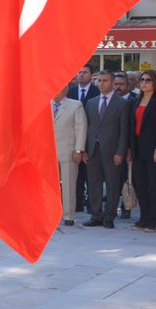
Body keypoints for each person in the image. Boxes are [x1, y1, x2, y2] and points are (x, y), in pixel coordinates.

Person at [83, 72, 130, 229]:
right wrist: (84, 150)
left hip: (112, 150)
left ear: (112, 82)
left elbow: (124, 130)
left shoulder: (122, 103)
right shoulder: (91, 102)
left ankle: (109, 216)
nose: (102, 83)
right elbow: (87, 128)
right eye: (99, 81)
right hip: (93, 149)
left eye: (105, 81)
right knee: (94, 184)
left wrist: (120, 152)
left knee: (112, 184)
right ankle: (96, 215)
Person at [130, 71, 156, 233]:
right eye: (142, 80)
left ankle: (153, 220)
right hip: (137, 147)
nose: (144, 83)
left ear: (154, 83)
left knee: (153, 185)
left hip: (153, 147)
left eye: (148, 80)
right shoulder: (135, 101)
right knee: (140, 184)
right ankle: (143, 217)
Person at [51, 90, 86, 226]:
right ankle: (51, 213)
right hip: (48, 152)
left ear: (65, 89)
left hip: (68, 150)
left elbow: (80, 128)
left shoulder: (75, 105)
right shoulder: (45, 105)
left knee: (68, 183)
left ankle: (68, 215)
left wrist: (78, 149)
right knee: (49, 185)